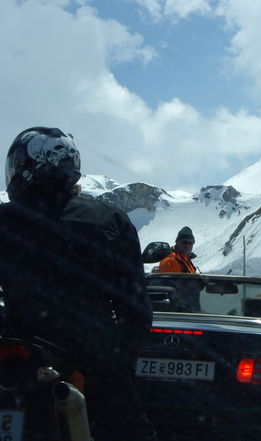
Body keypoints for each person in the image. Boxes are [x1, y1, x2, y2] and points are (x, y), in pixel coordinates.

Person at [0, 127, 157, 441]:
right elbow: (136, 309)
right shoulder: (107, 219)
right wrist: (113, 358)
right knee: (129, 429)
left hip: (16, 355)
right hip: (90, 356)